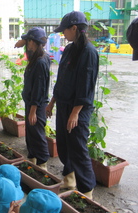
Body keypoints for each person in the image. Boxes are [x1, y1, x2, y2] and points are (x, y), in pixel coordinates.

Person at [46, 11, 98, 199]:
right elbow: (61, 80)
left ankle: (87, 192)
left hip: (79, 109)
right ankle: (69, 179)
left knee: (78, 147)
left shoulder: (89, 52)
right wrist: (52, 102)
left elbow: (86, 86)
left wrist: (75, 113)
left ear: (75, 28)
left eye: (65, 31)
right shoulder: (69, 49)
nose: (63, 34)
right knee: (63, 142)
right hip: (64, 105)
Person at [14, 27, 51, 170]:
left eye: (28, 41)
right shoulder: (38, 56)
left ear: (33, 42)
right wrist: (23, 42)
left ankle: (42, 164)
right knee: (31, 132)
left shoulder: (40, 62)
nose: (26, 44)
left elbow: (39, 88)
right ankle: (32, 158)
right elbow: (28, 51)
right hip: (31, 103)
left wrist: (33, 111)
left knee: (37, 133)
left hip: (37, 104)